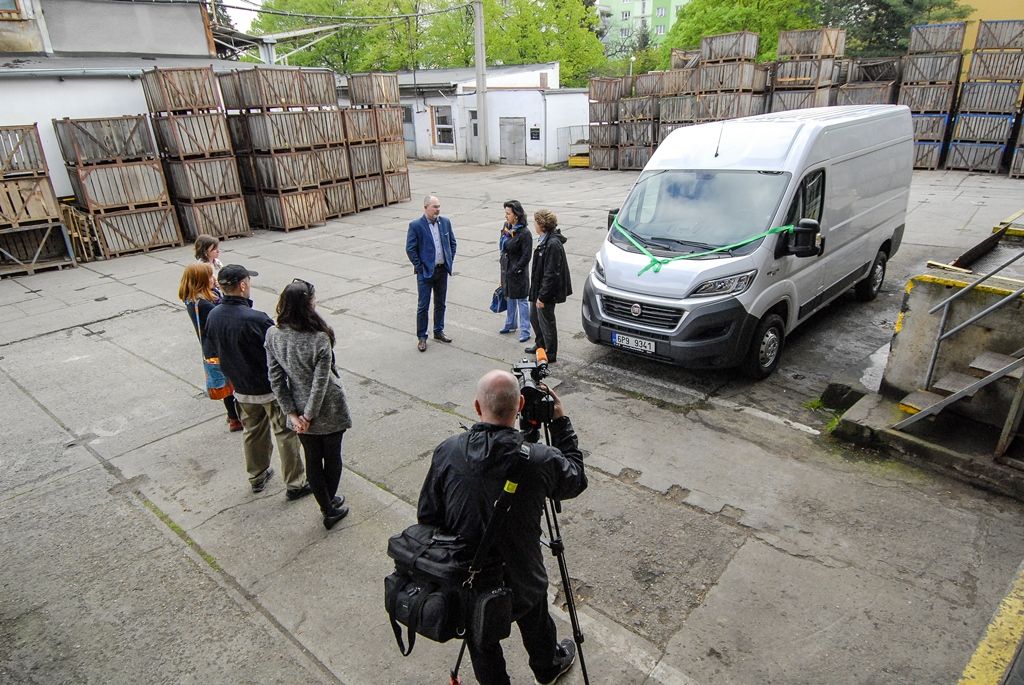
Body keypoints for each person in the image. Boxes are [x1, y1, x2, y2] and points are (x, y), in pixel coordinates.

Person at [417, 370, 586, 685]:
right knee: (535, 613)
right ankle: (548, 667)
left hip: (469, 579)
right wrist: (561, 423)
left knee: (481, 637)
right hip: (523, 577)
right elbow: (575, 479)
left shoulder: (448, 451)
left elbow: (427, 515)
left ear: (477, 408)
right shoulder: (541, 460)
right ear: (520, 404)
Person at [204, 264, 311, 499]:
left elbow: (211, 351)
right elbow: (279, 353)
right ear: (242, 285)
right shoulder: (255, 319)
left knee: (253, 432)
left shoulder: (213, 315)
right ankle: (295, 483)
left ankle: (257, 476)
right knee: (285, 433)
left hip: (240, 389)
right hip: (268, 388)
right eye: (248, 282)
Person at [265, 279, 352, 530]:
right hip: (329, 408)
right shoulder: (319, 337)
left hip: (298, 407)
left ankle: (326, 503)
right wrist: (309, 415)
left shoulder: (273, 335)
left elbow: (276, 378)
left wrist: (293, 414)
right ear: (308, 305)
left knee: (312, 458)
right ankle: (328, 507)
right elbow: (321, 382)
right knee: (332, 457)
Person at [177, 262, 242, 432]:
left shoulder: (192, 299)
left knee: (226, 383)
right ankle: (235, 418)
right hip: (218, 348)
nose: (214, 279)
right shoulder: (205, 304)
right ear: (201, 281)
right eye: (210, 276)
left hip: (210, 347)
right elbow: (224, 315)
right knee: (228, 384)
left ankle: (232, 415)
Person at [405, 195, 457, 352]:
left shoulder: (445, 222)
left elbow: (452, 243)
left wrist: (449, 260)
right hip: (426, 273)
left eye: (439, 206)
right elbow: (410, 248)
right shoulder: (416, 225)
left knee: (440, 303)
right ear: (426, 207)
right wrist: (420, 267)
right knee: (423, 305)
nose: (438, 209)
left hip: (442, 270)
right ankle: (422, 336)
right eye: (435, 207)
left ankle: (438, 331)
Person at [526, 210, 572, 364]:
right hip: (538, 288)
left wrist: (542, 296)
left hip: (546, 291)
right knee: (534, 317)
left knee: (547, 321)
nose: (534, 224)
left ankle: (551, 352)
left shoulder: (553, 244)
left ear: (542, 225)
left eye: (535, 222)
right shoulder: (544, 239)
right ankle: (540, 344)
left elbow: (551, 273)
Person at [498, 200, 532, 343]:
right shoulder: (507, 227)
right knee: (509, 297)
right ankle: (510, 323)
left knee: (522, 300)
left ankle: (525, 330)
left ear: (516, 215)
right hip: (507, 268)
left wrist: (516, 269)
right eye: (505, 213)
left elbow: (527, 255)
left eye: (508, 213)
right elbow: (502, 245)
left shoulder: (524, 233)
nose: (506, 216)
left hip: (518, 271)